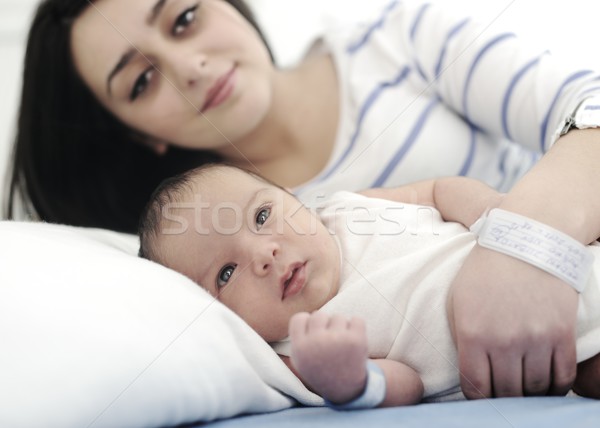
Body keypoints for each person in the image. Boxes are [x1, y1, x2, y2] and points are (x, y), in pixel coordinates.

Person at [5, 0, 600, 399]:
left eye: (184, 17)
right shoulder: (223, 274)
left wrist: (522, 242)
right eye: (140, 80)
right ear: (138, 134)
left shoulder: (398, 41)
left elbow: (587, 103)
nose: (189, 66)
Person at [137, 163, 600, 407]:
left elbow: (437, 190)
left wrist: (497, 213)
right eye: (225, 274)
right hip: (562, 353)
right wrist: (352, 381)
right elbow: (410, 384)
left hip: (551, 256)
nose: (263, 254)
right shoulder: (296, 348)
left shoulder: (346, 207)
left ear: (291, 197)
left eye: (262, 215)